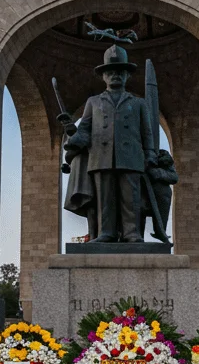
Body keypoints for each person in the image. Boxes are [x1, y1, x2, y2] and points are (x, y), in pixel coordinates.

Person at [64, 45, 157, 242]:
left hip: (131, 157)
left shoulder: (138, 103)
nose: (115, 75)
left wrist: (150, 154)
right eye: (111, 72)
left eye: (120, 72)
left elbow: (146, 133)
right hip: (101, 157)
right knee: (104, 198)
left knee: (130, 197)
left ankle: (132, 233)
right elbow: (85, 130)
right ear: (104, 76)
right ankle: (106, 232)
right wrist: (73, 139)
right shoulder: (93, 102)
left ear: (127, 76)